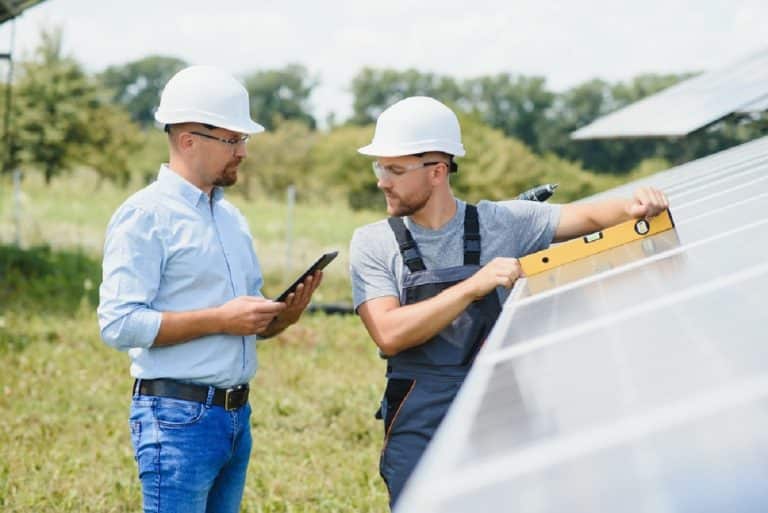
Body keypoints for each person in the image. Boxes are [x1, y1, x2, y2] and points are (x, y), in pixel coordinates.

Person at [348, 96, 669, 508]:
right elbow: (389, 334)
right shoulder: (373, 242)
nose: (381, 181)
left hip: (500, 404)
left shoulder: (503, 221)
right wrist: (471, 286)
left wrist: (637, 205)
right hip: (419, 411)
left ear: (437, 171)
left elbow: (589, 218)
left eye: (394, 169)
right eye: (379, 167)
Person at [98, 65, 322, 513]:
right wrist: (221, 319)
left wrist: (280, 319)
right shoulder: (145, 216)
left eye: (244, 140)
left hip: (235, 418)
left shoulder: (231, 219)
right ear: (188, 140)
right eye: (232, 140)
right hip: (176, 419)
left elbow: (244, 324)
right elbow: (119, 323)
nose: (242, 152)